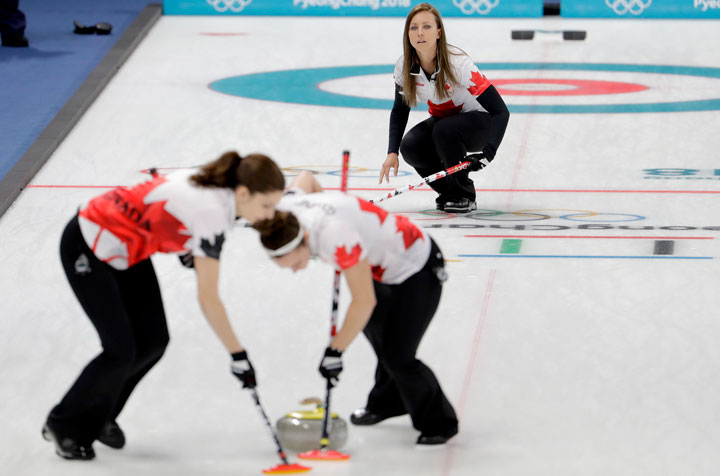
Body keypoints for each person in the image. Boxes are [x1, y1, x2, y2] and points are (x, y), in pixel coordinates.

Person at [43, 151, 285, 460]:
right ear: (243, 192)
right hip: (88, 244)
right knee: (119, 350)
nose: (268, 215)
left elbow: (163, 205)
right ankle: (63, 423)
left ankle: (100, 416)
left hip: (126, 249)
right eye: (266, 206)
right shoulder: (212, 213)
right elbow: (208, 298)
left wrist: (186, 248)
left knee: (153, 341)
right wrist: (238, 355)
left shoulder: (219, 189)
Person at [253, 171, 458, 445]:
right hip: (379, 267)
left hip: (416, 266)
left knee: (399, 355)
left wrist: (335, 352)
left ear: (304, 240)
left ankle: (440, 422)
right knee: (379, 337)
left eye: (295, 263)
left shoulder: (336, 237)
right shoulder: (285, 212)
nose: (295, 270)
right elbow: (306, 178)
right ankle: (389, 401)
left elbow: (364, 301)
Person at [379, 2, 509, 214]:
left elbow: (500, 111)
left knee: (445, 130)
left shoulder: (458, 64)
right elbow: (400, 110)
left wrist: (487, 154)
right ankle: (449, 192)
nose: (420, 33)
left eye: (427, 27)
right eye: (414, 28)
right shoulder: (404, 66)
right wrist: (392, 152)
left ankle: (464, 194)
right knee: (411, 146)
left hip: (480, 124)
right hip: (446, 126)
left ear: (439, 32)